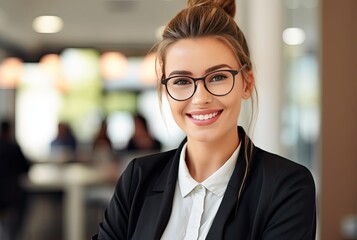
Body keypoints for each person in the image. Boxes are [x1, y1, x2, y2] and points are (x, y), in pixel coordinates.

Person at [93, 0, 316, 239]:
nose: (200, 98)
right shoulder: (138, 178)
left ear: (247, 83)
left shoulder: (286, 186)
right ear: (166, 90)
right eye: (181, 81)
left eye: (218, 77)